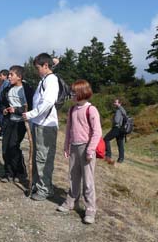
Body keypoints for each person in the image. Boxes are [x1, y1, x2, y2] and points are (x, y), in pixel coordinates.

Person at [57, 80, 101, 225]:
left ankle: (90, 209)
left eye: (74, 93)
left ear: (82, 93)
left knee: (88, 181)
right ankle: (71, 202)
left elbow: (97, 132)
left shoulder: (91, 109)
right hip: (74, 148)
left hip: (87, 148)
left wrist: (90, 150)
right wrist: (66, 147)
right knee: (73, 177)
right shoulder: (72, 109)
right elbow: (69, 129)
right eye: (72, 93)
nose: (72, 95)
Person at [22, 52, 59, 201]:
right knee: (38, 156)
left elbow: (48, 102)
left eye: (38, 67)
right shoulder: (45, 79)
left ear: (45, 66)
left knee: (43, 158)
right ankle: (38, 185)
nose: (37, 71)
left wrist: (31, 114)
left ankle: (45, 189)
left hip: (46, 125)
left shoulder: (51, 80)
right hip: (38, 123)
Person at [0, 65, 33, 183]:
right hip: (9, 121)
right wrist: (3, 109)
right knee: (5, 147)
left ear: (19, 77)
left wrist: (17, 110)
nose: (9, 76)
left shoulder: (26, 90)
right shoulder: (8, 89)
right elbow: (1, 103)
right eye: (8, 74)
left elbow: (31, 108)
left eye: (11, 74)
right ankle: (8, 173)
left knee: (13, 146)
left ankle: (20, 172)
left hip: (22, 123)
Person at [103, 99, 127, 163]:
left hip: (117, 128)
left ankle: (108, 155)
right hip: (122, 129)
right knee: (120, 144)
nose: (114, 103)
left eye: (115, 102)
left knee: (106, 139)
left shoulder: (118, 111)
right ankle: (121, 159)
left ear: (119, 103)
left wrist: (113, 120)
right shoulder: (123, 110)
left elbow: (116, 120)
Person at [0, 69, 10, 139]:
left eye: (1, 76)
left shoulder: (7, 83)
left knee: (2, 119)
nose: (0, 77)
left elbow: (4, 95)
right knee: (0, 119)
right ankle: (2, 132)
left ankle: (3, 133)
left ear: (5, 76)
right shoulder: (3, 82)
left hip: (3, 104)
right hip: (0, 103)